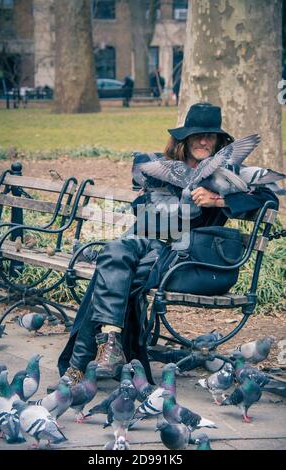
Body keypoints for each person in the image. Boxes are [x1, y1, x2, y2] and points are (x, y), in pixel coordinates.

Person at [52, 102, 278, 390]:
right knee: (115, 252)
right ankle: (106, 347)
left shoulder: (228, 172)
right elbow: (142, 210)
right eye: (197, 135)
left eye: (210, 136)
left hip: (183, 257)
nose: (204, 141)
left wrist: (219, 200)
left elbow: (270, 199)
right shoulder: (164, 168)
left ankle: (81, 364)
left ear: (220, 142)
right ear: (184, 139)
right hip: (148, 238)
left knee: (110, 270)